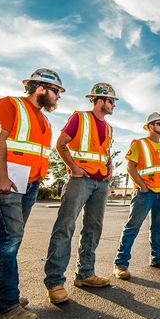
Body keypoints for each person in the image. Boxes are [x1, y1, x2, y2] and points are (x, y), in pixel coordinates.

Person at [0, 69, 64, 319]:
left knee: (3, 239)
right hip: (8, 181)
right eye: (56, 91)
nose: (57, 96)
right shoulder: (10, 104)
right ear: (40, 88)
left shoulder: (44, 119)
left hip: (29, 183)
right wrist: (1, 177)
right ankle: (6, 308)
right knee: (10, 240)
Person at [44, 83, 117, 304]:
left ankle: (85, 274)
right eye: (111, 101)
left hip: (100, 182)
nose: (114, 105)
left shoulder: (110, 127)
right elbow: (61, 144)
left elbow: (104, 151)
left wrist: (110, 170)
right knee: (65, 226)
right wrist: (74, 168)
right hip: (80, 179)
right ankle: (55, 282)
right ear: (99, 100)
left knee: (93, 228)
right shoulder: (80, 118)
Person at [113, 112, 160, 280]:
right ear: (149, 127)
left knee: (157, 226)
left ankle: (157, 258)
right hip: (144, 193)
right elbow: (131, 168)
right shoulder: (139, 144)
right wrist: (142, 186)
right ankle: (121, 264)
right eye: (158, 124)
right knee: (132, 227)